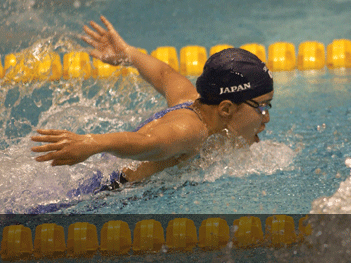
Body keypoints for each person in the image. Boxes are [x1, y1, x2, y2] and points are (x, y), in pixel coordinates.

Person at [31, 15, 274, 189]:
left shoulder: (189, 99)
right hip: (97, 193)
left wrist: (128, 52)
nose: (266, 119)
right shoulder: (191, 130)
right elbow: (147, 142)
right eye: (262, 107)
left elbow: (164, 75)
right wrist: (91, 143)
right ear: (226, 108)